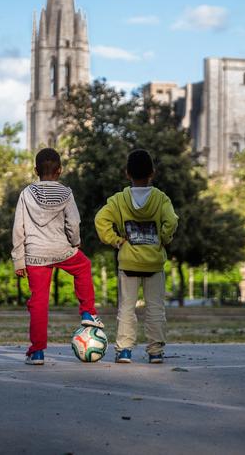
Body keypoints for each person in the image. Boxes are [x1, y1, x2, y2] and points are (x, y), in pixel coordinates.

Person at [12, 148, 102, 365]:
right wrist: (75, 242)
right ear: (60, 170)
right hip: (61, 249)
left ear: (35, 170)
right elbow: (73, 222)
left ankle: (37, 352)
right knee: (83, 266)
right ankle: (88, 312)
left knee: (39, 302)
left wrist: (18, 258)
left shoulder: (26, 194)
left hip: (34, 254)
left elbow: (18, 227)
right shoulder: (66, 193)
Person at [95, 149, 178, 364]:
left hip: (128, 261)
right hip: (154, 263)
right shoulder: (161, 199)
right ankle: (155, 351)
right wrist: (164, 238)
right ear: (153, 172)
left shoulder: (119, 200)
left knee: (126, 307)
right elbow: (172, 221)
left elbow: (101, 220)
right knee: (155, 308)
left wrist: (115, 240)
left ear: (126, 173)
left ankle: (124, 350)